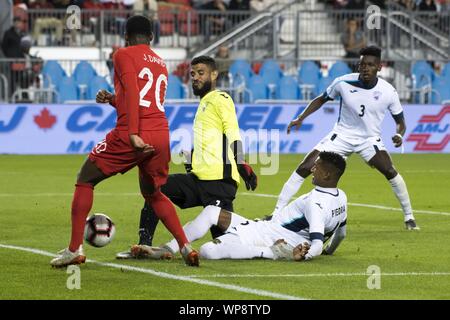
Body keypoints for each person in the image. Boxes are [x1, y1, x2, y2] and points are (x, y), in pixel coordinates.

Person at [50, 15, 199, 268]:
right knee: (153, 193)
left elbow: (131, 91)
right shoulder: (160, 63)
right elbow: (143, 100)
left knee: (85, 178)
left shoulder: (123, 54)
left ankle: (74, 249)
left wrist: (132, 133)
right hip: (161, 133)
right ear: (151, 37)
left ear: (126, 37)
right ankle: (185, 246)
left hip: (134, 133)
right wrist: (112, 99)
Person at [116, 55, 258, 259]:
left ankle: (273, 243)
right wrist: (192, 160)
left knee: (228, 244)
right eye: (192, 74)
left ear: (214, 74)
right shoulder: (203, 104)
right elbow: (212, 143)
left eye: (201, 73)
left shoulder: (221, 99)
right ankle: (143, 246)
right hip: (200, 181)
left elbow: (233, 133)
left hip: (219, 184)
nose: (196, 77)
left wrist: (241, 162)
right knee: (155, 189)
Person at [273, 46, 420, 231]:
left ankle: (409, 216)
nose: (365, 68)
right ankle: (277, 212)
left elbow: (401, 121)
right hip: (341, 136)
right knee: (305, 167)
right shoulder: (343, 82)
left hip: (369, 139)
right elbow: (321, 99)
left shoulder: (388, 91)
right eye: (362, 64)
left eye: (370, 65)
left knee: (390, 171)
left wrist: (399, 134)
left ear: (379, 67)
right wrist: (301, 117)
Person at [133, 152, 347, 262]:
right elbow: (341, 234)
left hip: (266, 239)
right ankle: (168, 249)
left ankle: (270, 253)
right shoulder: (341, 198)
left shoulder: (316, 203)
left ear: (327, 174)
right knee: (211, 211)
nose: (312, 169)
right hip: (264, 227)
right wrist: (329, 252)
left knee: (208, 250)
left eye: (317, 166)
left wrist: (305, 254)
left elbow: (317, 243)